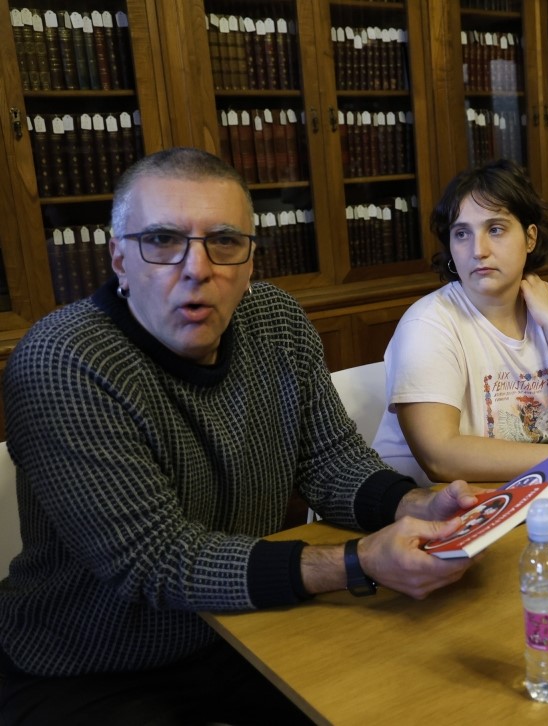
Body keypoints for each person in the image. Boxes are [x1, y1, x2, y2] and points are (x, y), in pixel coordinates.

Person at [0, 148, 482, 724]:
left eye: (224, 241)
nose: (197, 268)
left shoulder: (275, 321)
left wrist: (416, 504)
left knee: (422, 695)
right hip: (87, 664)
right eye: (162, 241)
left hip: (241, 628)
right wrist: (356, 563)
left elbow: (331, 463)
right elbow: (155, 561)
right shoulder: (64, 359)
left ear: (250, 260)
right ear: (119, 259)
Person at [371, 159, 548, 485]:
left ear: (530, 238)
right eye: (462, 234)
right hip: (424, 504)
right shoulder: (428, 324)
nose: (478, 250)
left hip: (522, 492)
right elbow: (439, 457)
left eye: (495, 229)